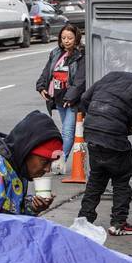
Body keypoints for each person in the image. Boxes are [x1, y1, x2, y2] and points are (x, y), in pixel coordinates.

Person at [76, 70, 132, 235]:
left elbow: (84, 99)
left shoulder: (112, 76)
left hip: (92, 133)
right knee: (121, 181)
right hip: (113, 137)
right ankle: (118, 223)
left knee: (96, 179)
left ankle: (84, 219)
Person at [36, 24, 86, 174]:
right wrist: (41, 87)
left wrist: (70, 97)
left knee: (68, 131)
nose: (66, 41)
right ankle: (61, 160)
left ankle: (59, 161)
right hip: (58, 99)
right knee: (65, 129)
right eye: (63, 38)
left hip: (71, 100)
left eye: (70, 38)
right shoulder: (56, 53)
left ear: (76, 38)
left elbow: (80, 80)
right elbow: (46, 73)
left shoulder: (81, 55)